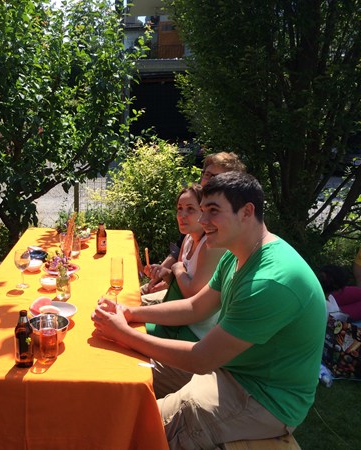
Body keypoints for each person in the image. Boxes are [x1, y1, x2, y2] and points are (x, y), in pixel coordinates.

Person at [92, 172, 326, 449]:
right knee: (121, 371)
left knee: (137, 429)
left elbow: (201, 359)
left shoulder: (270, 281)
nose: (203, 221)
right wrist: (129, 313)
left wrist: (123, 333)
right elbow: (195, 307)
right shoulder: (236, 254)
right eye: (202, 211)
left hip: (262, 398)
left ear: (247, 212)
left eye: (213, 211)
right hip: (230, 370)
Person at [142, 151, 246, 301]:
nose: (208, 182)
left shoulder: (220, 237)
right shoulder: (190, 236)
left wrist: (176, 270)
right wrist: (162, 277)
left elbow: (195, 297)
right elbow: (179, 267)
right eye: (207, 175)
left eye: (216, 178)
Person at [145, 184, 226, 341]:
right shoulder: (188, 238)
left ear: (203, 212)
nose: (182, 215)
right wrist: (165, 274)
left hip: (195, 333)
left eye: (190, 209)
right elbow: (180, 283)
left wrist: (177, 268)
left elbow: (192, 294)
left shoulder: (209, 246)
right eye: (179, 208)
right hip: (176, 321)